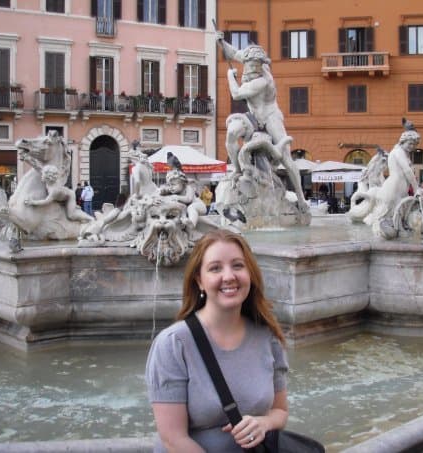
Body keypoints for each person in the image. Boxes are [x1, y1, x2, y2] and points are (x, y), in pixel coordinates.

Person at [145, 229, 289, 452]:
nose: (229, 276)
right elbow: (173, 439)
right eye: (215, 268)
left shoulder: (267, 338)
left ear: (250, 274)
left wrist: (264, 423)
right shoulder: (173, 344)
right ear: (199, 281)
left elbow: (280, 412)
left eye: (238, 265)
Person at [215, 33, 308, 214]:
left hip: (270, 117)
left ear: (262, 64)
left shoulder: (263, 80)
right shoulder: (248, 57)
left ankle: (301, 197)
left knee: (286, 158)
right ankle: (237, 169)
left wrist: (229, 76)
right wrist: (221, 42)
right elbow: (233, 53)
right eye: (251, 65)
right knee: (231, 133)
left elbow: (236, 94)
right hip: (253, 116)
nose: (254, 68)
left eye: (258, 65)